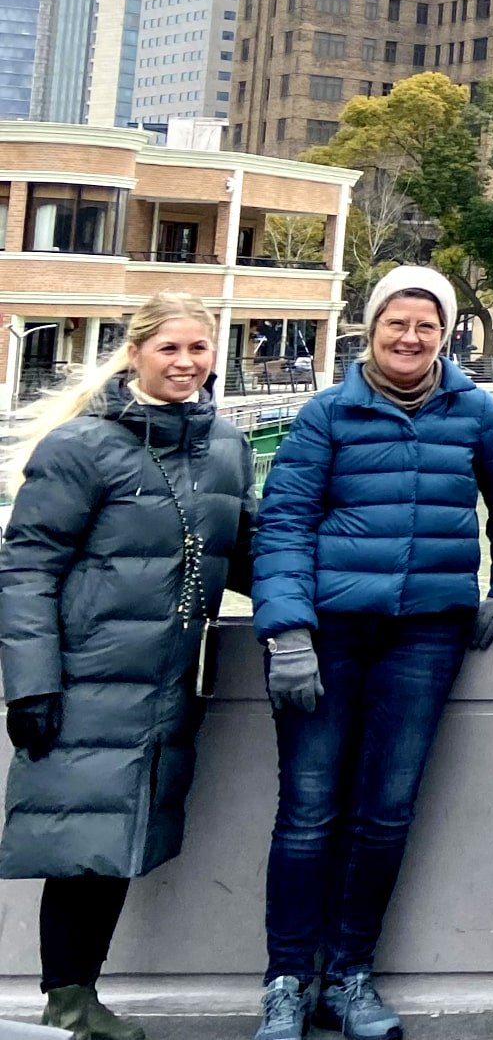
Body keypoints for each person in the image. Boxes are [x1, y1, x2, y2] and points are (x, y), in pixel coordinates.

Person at [251, 266, 493, 1040]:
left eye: (426, 326)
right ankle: (286, 979)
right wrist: (285, 629)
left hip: (425, 634)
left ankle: (349, 974)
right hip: (328, 632)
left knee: (385, 813)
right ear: (371, 329)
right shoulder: (326, 415)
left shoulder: (475, 412)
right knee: (309, 811)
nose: (410, 338)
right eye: (396, 324)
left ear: (444, 335)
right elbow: (282, 524)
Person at [1, 295, 255, 1040]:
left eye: (200, 349)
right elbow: (26, 568)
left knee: (116, 841)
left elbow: (245, 550)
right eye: (170, 347)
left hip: (170, 682)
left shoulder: (227, 447)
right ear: (136, 351)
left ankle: (79, 1000)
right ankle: (70, 1001)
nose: (186, 363)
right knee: (82, 845)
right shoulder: (81, 446)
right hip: (87, 679)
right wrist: (32, 682)